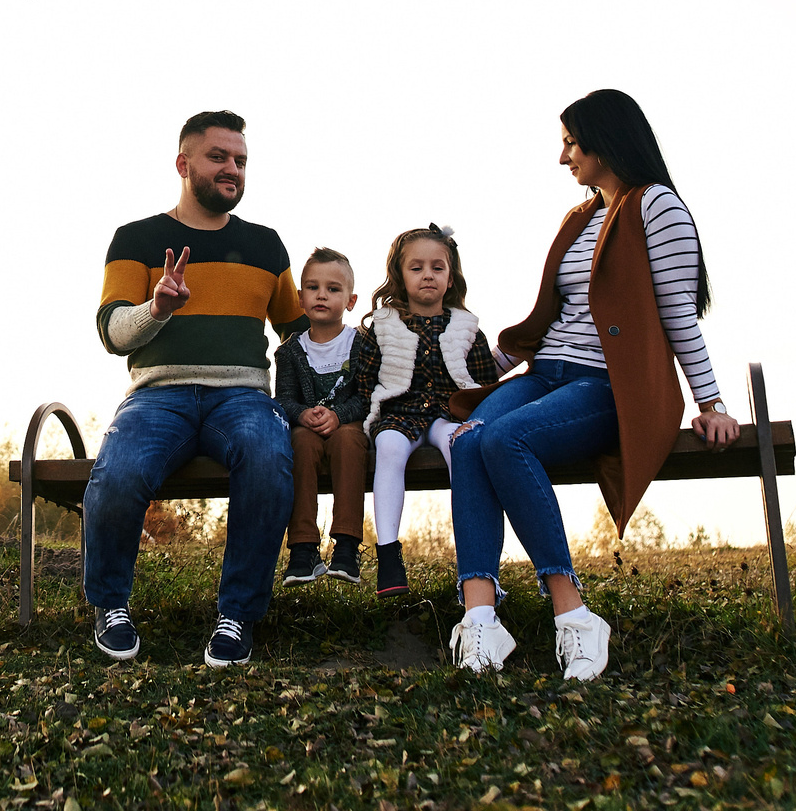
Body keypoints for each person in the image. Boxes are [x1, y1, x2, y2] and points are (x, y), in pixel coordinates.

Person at [447, 89, 740, 682]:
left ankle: (574, 615)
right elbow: (550, 318)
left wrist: (711, 401)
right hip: (547, 372)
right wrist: (473, 370)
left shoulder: (657, 206)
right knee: (469, 436)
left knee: (506, 442)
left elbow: (678, 308)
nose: (564, 159)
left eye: (570, 144)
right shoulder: (580, 217)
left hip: (607, 383)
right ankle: (480, 622)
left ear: (605, 141)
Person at [82, 109, 303, 669]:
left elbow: (300, 335)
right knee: (119, 471)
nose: (233, 169)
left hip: (244, 397)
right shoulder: (136, 239)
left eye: (241, 160)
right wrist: (156, 307)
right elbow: (112, 331)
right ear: (184, 164)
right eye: (219, 157)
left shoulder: (266, 245)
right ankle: (111, 606)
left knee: (267, 455)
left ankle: (238, 616)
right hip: (159, 396)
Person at [351, 224, 507, 597]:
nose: (427, 276)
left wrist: (477, 420)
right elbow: (364, 380)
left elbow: (484, 384)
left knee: (462, 448)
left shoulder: (468, 329)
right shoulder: (382, 326)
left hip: (448, 413)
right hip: (398, 412)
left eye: (438, 267)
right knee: (389, 448)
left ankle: (475, 560)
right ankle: (388, 556)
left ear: (451, 277)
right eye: (416, 267)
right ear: (399, 276)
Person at [271, 248, 376, 585]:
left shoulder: (362, 344)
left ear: (350, 300)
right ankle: (303, 548)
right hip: (308, 430)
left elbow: (369, 396)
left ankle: (346, 546)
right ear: (301, 298)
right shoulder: (289, 350)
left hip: (349, 427)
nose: (322, 295)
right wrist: (303, 415)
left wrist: (338, 415)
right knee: (299, 442)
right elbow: (283, 400)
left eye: (333, 289)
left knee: (348, 438)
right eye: (313, 288)